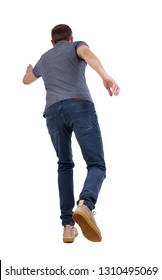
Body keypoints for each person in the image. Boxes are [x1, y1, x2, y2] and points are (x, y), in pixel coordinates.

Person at [23, 24, 120, 243]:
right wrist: (105, 76)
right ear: (71, 38)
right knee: (96, 164)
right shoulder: (77, 45)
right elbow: (88, 54)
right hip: (79, 106)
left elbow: (27, 80)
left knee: (64, 165)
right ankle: (86, 204)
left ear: (52, 42)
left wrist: (28, 73)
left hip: (53, 113)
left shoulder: (44, 57)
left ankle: (68, 226)